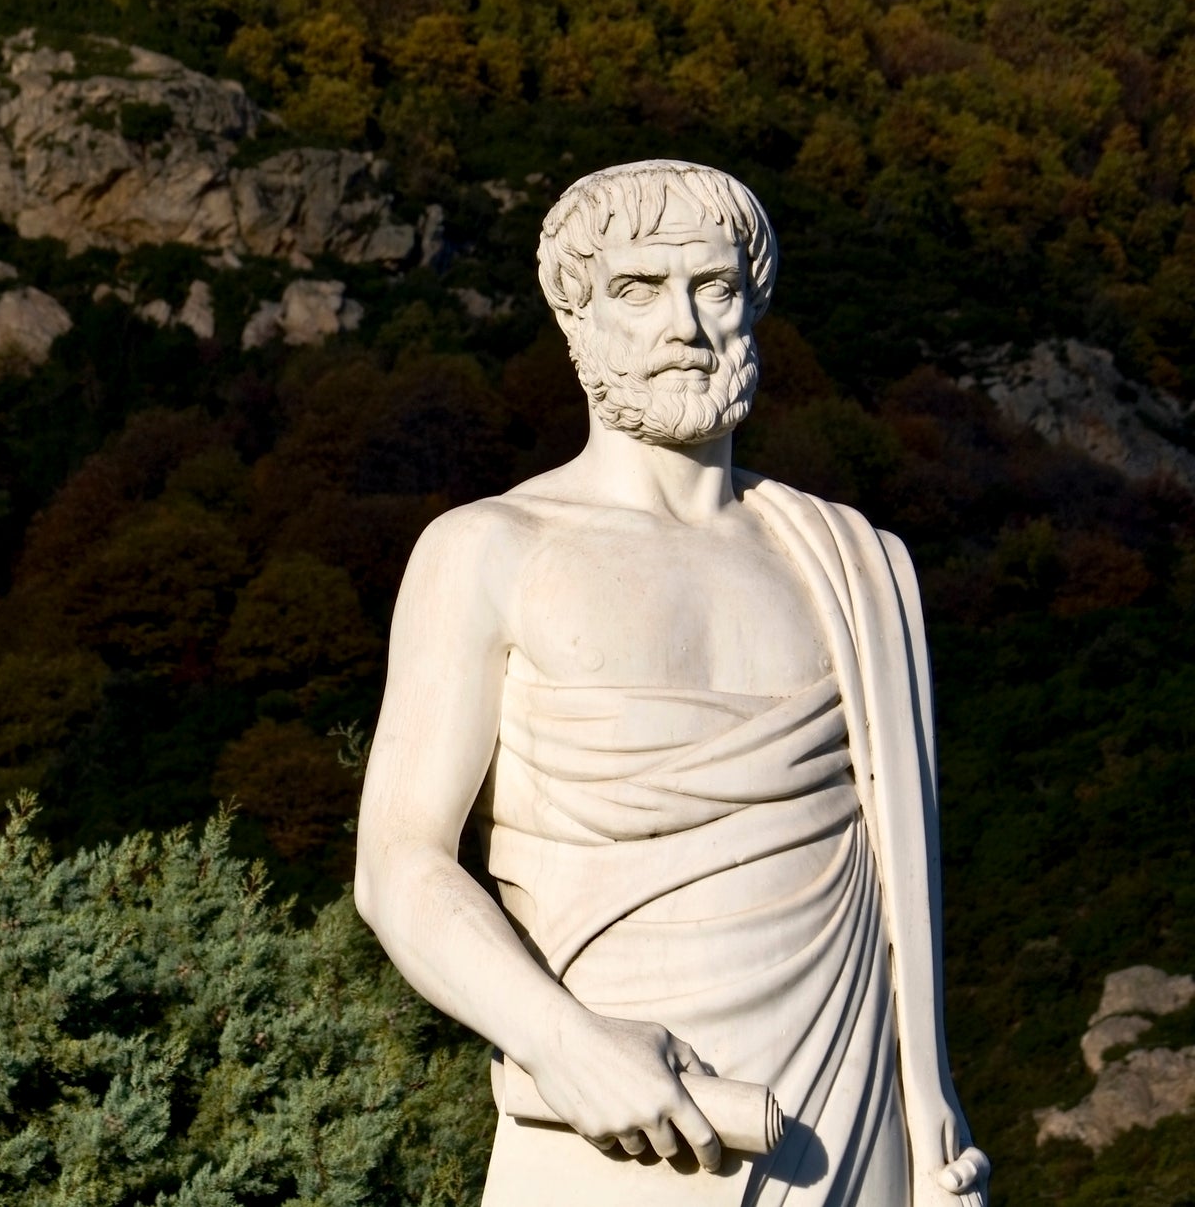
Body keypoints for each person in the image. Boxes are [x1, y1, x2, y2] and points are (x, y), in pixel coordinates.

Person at [353, 161, 992, 1206]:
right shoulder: (489, 550)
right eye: (639, 290)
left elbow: (893, 888)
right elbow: (397, 865)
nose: (686, 326)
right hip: (621, 1122)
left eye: (717, 288)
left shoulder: (852, 563)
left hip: (853, 1111)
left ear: (756, 307)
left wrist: (935, 1108)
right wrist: (562, 1042)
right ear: (579, 318)